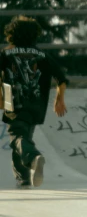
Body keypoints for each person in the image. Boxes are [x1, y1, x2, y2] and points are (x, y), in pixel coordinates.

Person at [0, 16, 68, 188]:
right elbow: (61, 79)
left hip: (14, 103)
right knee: (23, 138)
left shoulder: (5, 53)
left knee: (18, 138)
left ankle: (33, 158)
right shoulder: (43, 55)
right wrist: (59, 100)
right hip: (37, 105)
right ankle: (23, 179)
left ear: (11, 34)